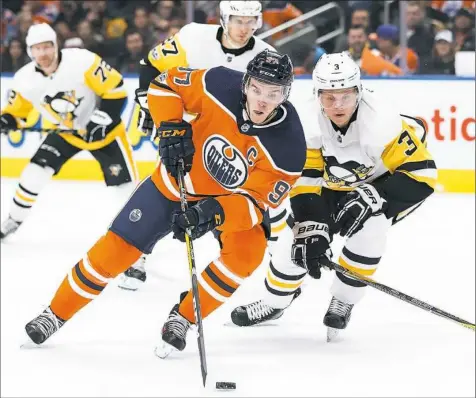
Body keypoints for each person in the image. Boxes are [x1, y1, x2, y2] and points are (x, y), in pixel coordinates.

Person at [23, 50, 307, 357]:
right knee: (115, 251)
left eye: (273, 93)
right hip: (174, 184)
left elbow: (254, 205)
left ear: (286, 93)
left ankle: (183, 318)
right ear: (245, 83)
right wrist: (170, 126)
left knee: (247, 254)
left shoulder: (289, 147)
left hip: (226, 202)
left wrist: (213, 213)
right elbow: (164, 84)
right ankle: (54, 313)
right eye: (256, 89)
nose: (262, 100)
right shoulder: (217, 82)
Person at [230, 52, 438, 341]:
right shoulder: (304, 121)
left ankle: (345, 298)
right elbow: (306, 178)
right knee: (295, 243)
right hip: (327, 189)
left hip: (379, 185)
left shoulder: (382, 122)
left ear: (359, 91)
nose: (337, 105)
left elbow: (424, 175)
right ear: (317, 95)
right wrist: (312, 226)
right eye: (329, 97)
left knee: (373, 228)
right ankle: (275, 303)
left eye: (345, 96)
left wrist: (373, 195)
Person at [119, 0, 281, 291]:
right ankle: (137, 256)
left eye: (250, 21)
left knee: (229, 202)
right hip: (185, 132)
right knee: (167, 191)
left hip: (230, 141)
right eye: (237, 20)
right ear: (222, 18)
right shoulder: (193, 36)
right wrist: (148, 104)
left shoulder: (267, 56)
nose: (244, 28)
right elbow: (151, 64)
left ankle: (244, 258)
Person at [0, 23, 138, 240]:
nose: (43, 53)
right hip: (65, 133)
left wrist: (100, 120)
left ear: (56, 45)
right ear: (30, 51)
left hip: (106, 134)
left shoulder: (82, 61)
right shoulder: (24, 79)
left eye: (47, 46)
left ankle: (134, 238)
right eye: (37, 48)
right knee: (34, 173)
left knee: (125, 188)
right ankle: (13, 220)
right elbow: (17, 110)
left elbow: (117, 90)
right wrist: (7, 120)